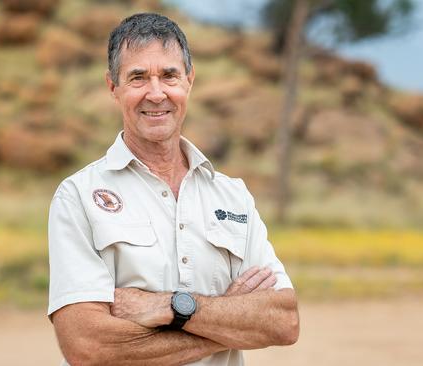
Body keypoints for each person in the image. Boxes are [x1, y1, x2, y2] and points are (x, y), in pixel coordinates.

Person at [47, 13, 299, 366]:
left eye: (169, 75)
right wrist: (227, 320)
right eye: (138, 77)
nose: (156, 92)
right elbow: (87, 345)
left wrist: (167, 307)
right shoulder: (78, 197)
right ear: (112, 87)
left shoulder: (233, 196)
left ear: (189, 81)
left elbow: (283, 321)